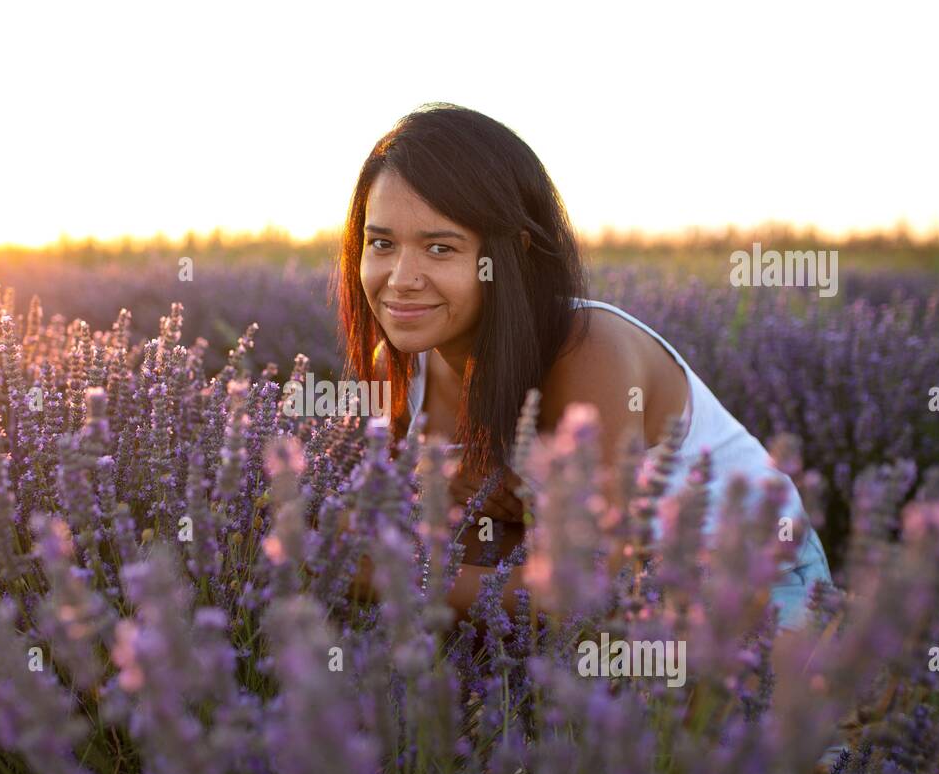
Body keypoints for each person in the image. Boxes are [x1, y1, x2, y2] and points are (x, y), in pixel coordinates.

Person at [331, 103, 832, 631]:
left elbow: (587, 590)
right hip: (594, 600)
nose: (402, 277)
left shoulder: (588, 350)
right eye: (381, 243)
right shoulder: (400, 370)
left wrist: (391, 571)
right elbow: (367, 511)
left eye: (440, 248)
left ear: (513, 257)